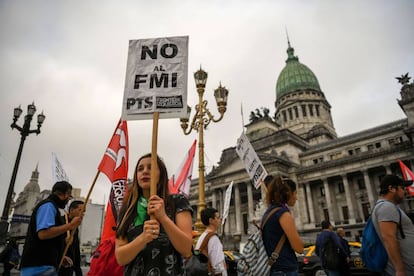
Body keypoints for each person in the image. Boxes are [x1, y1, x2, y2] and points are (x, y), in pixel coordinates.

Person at [115, 153, 193, 275]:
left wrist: (163, 217)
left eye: (150, 168)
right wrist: (142, 238)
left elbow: (186, 249)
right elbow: (120, 258)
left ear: (161, 174)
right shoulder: (127, 209)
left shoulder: (178, 202)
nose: (145, 172)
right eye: (140, 169)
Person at [20, 181, 82, 276]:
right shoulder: (48, 206)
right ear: (66, 194)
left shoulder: (51, 207)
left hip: (44, 266)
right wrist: (70, 226)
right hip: (39, 267)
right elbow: (43, 234)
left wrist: (59, 256)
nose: (68, 201)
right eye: (69, 197)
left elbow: (49, 241)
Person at [262, 176, 304, 276]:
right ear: (288, 193)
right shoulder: (283, 213)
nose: (296, 197)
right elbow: (299, 248)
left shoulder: (268, 213)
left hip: (274, 269)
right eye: (295, 193)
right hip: (285, 270)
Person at [374, 174, 414, 275]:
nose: (405, 191)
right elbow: (389, 238)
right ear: (391, 188)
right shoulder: (387, 207)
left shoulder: (388, 206)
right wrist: (400, 270)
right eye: (402, 188)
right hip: (405, 270)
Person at [194, 207, 227, 276]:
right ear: (211, 220)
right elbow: (218, 266)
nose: (220, 220)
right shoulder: (213, 238)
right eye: (217, 218)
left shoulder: (202, 236)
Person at [59, 200, 84, 276]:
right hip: (58, 265)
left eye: (84, 211)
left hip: (69, 267)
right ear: (72, 210)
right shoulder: (60, 221)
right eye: (80, 210)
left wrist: (78, 271)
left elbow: (76, 250)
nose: (82, 214)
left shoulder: (75, 227)